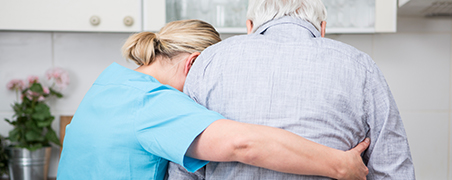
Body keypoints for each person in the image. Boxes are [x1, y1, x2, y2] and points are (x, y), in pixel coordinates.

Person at [56, 19, 370, 180]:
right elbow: (244, 144)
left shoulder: (111, 84)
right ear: (193, 64)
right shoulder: (153, 102)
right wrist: (340, 165)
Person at [167, 0, 416, 180]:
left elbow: (184, 165)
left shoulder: (210, 61)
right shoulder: (360, 65)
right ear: (322, 28)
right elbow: (393, 170)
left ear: (249, 25)